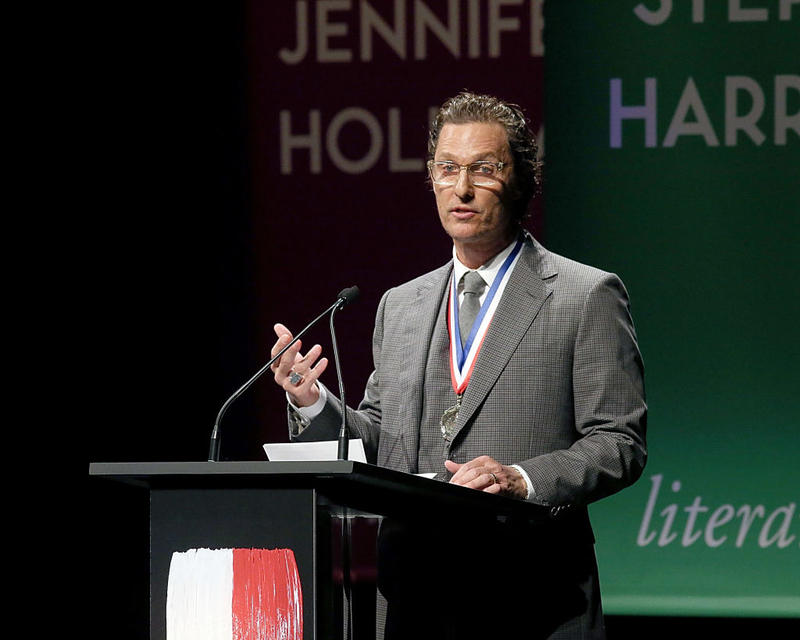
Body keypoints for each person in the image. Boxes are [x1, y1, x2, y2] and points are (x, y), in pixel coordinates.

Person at [270, 91, 647, 639]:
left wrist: (520, 480)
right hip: (413, 602)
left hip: (531, 600)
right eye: (448, 169)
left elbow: (618, 442)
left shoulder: (584, 295)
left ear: (521, 178)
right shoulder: (401, 305)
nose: (462, 188)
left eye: (483, 169)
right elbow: (380, 440)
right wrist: (312, 403)